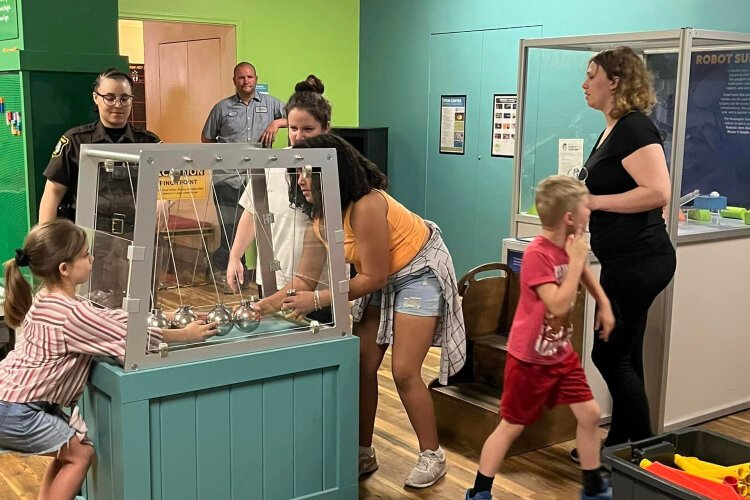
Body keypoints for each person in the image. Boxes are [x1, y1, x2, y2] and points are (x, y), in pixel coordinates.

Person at [254, 134, 466, 489]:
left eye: (309, 172)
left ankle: (433, 454)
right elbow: (301, 283)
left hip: (418, 272)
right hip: (381, 278)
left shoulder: (367, 205)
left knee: (404, 371)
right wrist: (258, 308)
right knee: (362, 364)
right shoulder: (319, 217)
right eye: (299, 173)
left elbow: (372, 276)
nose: (302, 180)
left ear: (332, 172)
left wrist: (320, 300)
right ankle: (363, 451)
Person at [0, 219, 216, 500]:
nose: (92, 259)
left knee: (67, 451)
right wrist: (183, 334)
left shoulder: (46, 299)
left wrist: (170, 317)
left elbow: (106, 318)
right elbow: (129, 336)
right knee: (81, 454)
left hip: (9, 398)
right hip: (20, 410)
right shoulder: (72, 315)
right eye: (85, 255)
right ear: (64, 268)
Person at [465, 175, 615, 500]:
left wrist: (603, 303)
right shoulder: (537, 254)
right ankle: (479, 491)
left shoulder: (568, 246)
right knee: (511, 426)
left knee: (589, 414)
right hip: (530, 360)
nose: (591, 213)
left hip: (560, 354)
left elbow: (584, 274)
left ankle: (592, 487)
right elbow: (559, 303)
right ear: (570, 218)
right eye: (586, 208)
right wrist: (577, 260)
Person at [579, 46, 676, 452]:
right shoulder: (612, 129)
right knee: (625, 354)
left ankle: (650, 452)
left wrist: (596, 202)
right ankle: (621, 443)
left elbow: (658, 192)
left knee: (609, 356)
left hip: (640, 260)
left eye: (591, 75)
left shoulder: (636, 128)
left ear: (615, 81)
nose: (584, 84)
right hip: (624, 259)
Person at [226, 75, 328, 294]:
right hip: (273, 279)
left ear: (325, 128)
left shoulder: (336, 169)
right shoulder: (273, 164)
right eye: (293, 128)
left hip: (320, 285)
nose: (299, 136)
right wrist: (235, 256)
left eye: (308, 129)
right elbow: (253, 211)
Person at [201, 62, 288, 287]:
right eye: (241, 77)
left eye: (250, 77)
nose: (246, 81)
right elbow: (206, 139)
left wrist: (277, 123)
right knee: (230, 230)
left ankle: (262, 277)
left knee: (267, 230)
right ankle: (224, 274)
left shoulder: (273, 104)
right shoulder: (222, 108)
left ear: (256, 79)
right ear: (234, 81)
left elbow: (298, 119)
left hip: (260, 179)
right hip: (227, 179)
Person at [38, 68, 161, 224]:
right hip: (87, 234)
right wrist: (46, 239)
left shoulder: (148, 142)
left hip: (136, 232)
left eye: (125, 98)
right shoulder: (75, 141)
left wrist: (164, 200)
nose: (118, 105)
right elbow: (53, 192)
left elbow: (170, 182)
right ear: (96, 98)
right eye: (109, 98)